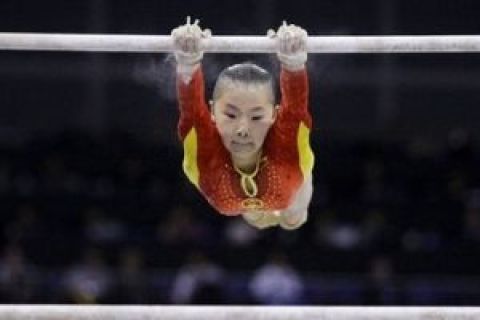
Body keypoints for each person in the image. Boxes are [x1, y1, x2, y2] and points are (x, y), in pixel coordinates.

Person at [171, 18, 314, 230]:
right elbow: (192, 114)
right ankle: (258, 215)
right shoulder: (205, 161)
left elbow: (295, 109)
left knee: (292, 219)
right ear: (212, 112)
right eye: (230, 115)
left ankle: (281, 215)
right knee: (259, 217)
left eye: (256, 117)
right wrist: (187, 58)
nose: (242, 130)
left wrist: (293, 60)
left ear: (275, 115)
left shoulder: (290, 157)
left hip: (284, 171)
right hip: (254, 188)